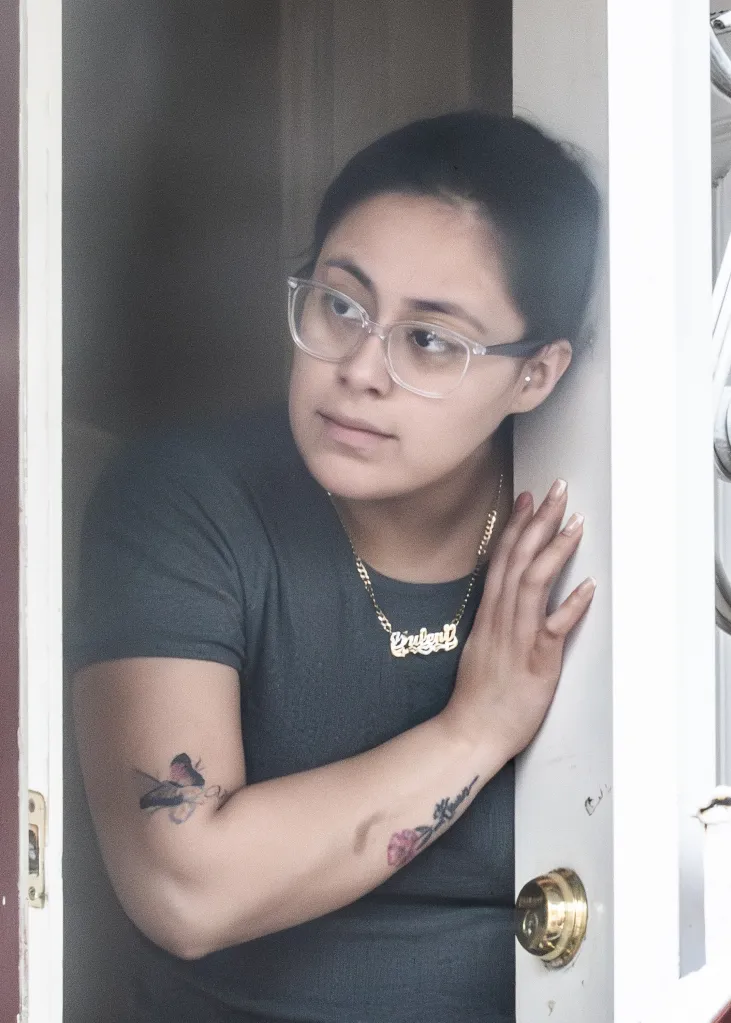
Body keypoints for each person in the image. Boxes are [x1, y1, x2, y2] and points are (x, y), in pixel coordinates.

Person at [70, 110, 601, 1023]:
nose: (359, 369)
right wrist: (473, 729)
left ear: (535, 374)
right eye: (342, 304)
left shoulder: (585, 531)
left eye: (430, 339)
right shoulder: (188, 503)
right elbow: (183, 889)